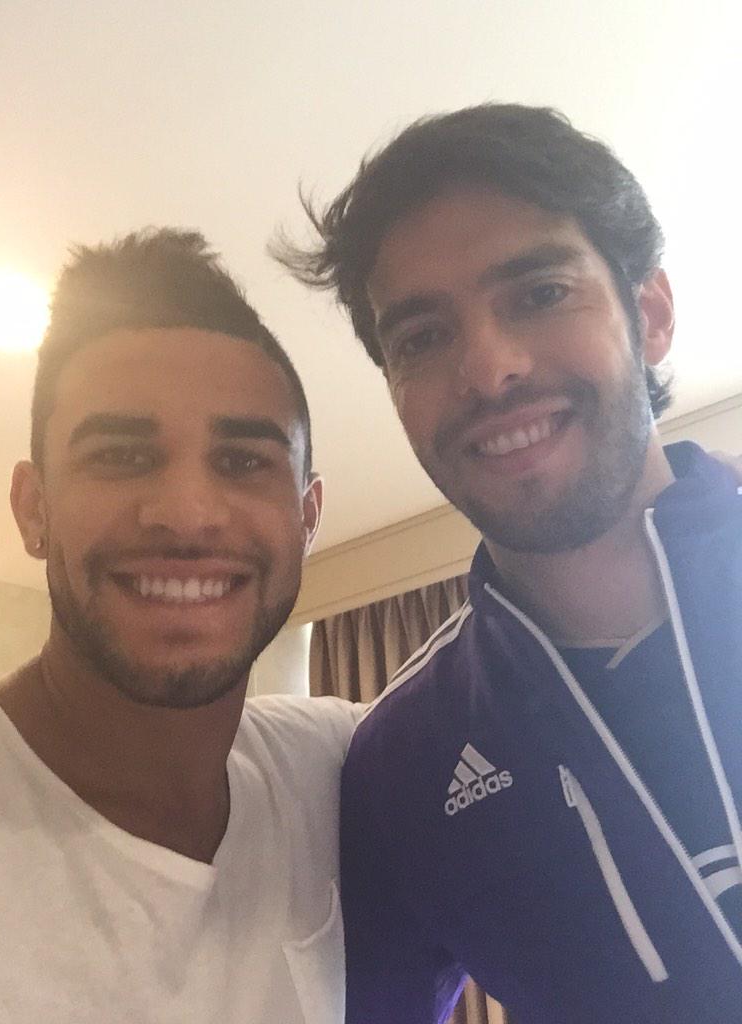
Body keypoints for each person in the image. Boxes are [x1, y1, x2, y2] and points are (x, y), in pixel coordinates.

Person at [279, 104, 742, 1022]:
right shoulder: (403, 761)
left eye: (540, 294)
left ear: (649, 314)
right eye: (423, 337)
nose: (489, 371)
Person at [0, 228, 359, 1023]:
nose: (187, 514)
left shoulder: (337, 767)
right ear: (33, 508)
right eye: (121, 456)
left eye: (244, 461)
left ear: (307, 517)